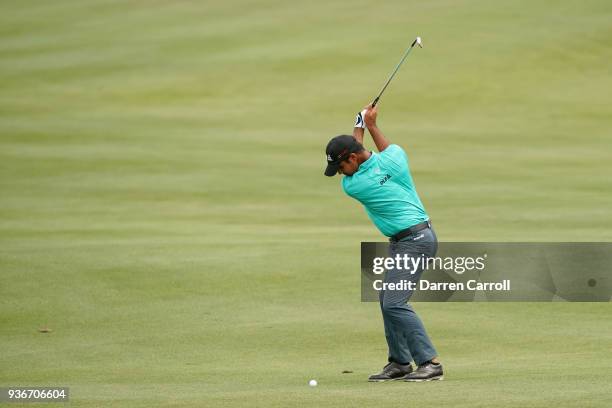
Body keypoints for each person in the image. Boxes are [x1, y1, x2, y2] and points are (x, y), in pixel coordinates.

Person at [324, 104, 444, 382]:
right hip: (412, 239)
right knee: (387, 299)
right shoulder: (395, 159)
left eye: (340, 166)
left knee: (394, 303)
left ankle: (429, 363)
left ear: (352, 159)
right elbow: (377, 152)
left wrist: (360, 126)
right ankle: (400, 362)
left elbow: (361, 159)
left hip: (415, 241)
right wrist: (371, 124)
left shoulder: (355, 185)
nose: (340, 173)